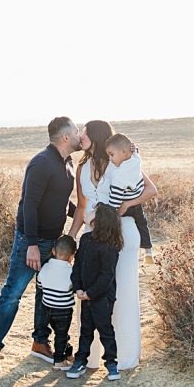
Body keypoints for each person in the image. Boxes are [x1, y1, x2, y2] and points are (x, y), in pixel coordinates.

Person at [0, 117, 80, 375]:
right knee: (13, 293)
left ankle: (40, 342)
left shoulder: (67, 163)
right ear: (66, 137)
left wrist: (81, 214)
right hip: (31, 241)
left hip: (53, 240)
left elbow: (60, 201)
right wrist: (33, 245)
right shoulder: (41, 163)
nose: (80, 135)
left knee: (45, 293)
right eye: (77, 131)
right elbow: (28, 205)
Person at [69, 120, 158, 373]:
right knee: (90, 291)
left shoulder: (120, 161)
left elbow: (151, 190)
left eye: (85, 132)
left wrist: (127, 206)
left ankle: (125, 357)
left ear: (95, 136)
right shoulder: (83, 167)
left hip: (123, 231)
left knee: (124, 292)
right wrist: (71, 237)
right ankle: (91, 357)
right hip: (92, 234)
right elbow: (82, 206)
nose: (81, 135)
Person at [66, 203, 123, 380]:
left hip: (102, 298)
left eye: (94, 212)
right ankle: (80, 360)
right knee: (86, 330)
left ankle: (111, 363)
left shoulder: (110, 247)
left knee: (105, 330)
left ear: (100, 221)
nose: (89, 213)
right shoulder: (85, 239)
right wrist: (78, 288)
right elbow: (78, 265)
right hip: (84, 295)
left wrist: (91, 293)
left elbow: (107, 276)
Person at [104, 133, 154, 263]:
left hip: (124, 206)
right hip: (136, 204)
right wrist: (134, 148)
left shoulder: (119, 174)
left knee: (114, 226)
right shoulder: (136, 160)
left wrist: (112, 211)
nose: (110, 159)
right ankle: (148, 250)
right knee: (142, 224)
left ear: (124, 151)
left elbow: (115, 198)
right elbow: (136, 152)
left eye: (111, 154)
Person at [35, 234, 78, 370]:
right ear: (72, 256)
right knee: (61, 334)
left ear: (53, 251)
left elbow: (40, 284)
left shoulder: (45, 267)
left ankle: (67, 352)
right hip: (63, 309)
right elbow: (74, 288)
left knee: (59, 333)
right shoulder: (71, 271)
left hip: (47, 307)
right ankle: (58, 360)